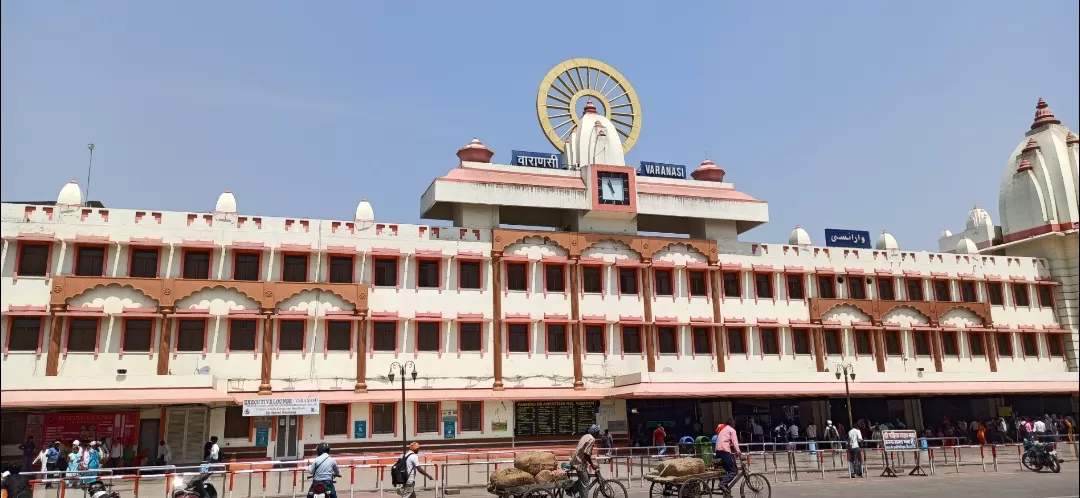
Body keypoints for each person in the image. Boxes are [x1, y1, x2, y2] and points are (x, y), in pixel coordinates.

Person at [570, 425, 600, 497]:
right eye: (598, 432)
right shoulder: (591, 439)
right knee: (585, 483)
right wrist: (592, 465)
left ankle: (571, 489)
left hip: (576, 460)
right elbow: (586, 454)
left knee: (587, 477)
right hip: (579, 463)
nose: (599, 434)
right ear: (595, 432)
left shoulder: (585, 436)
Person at [714, 419, 741, 488]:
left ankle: (725, 490)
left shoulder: (723, 430)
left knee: (723, 471)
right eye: (734, 424)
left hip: (718, 451)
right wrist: (738, 452)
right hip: (724, 451)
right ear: (732, 424)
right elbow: (735, 442)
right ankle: (722, 483)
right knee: (733, 471)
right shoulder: (732, 430)